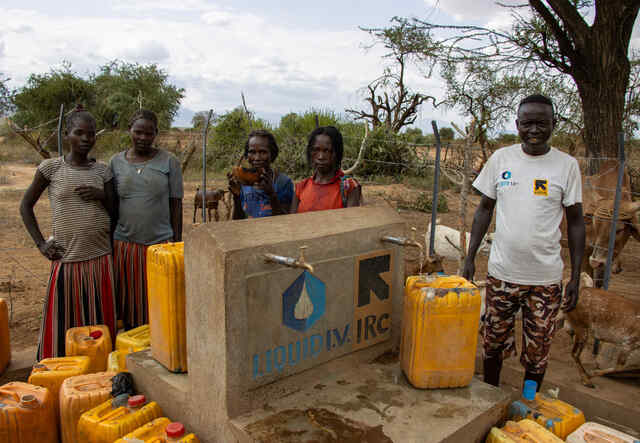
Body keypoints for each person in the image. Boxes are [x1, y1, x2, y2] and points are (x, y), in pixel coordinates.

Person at [462, 94, 585, 391]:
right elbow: (484, 210)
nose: (534, 130)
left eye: (542, 123)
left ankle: (529, 401)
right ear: (517, 124)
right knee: (492, 342)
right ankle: (491, 394)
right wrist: (469, 258)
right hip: (502, 274)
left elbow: (577, 222)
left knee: (538, 351)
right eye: (527, 123)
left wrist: (576, 276)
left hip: (545, 280)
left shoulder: (566, 166)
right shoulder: (501, 159)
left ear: (553, 124)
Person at [20, 106, 117, 359]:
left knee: (99, 325)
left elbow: (116, 210)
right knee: (64, 320)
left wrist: (100, 195)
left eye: (91, 134)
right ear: (67, 135)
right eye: (79, 133)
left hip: (99, 258)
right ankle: (61, 367)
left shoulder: (103, 171)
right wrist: (41, 244)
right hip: (67, 259)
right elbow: (25, 206)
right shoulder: (51, 169)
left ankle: (100, 370)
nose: (86, 139)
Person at [110, 109, 183, 330]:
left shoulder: (169, 162)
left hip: (160, 243)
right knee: (130, 300)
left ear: (156, 134)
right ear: (129, 131)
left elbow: (175, 205)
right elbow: (113, 206)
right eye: (138, 132)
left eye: (148, 133)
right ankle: (132, 342)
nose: (143, 138)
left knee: (160, 299)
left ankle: (160, 343)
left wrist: (176, 242)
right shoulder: (116, 162)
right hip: (126, 244)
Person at [291, 126, 361, 213]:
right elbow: (292, 222)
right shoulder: (301, 187)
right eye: (316, 150)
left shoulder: (348, 187)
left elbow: (352, 223)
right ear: (310, 152)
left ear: (337, 153)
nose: (320, 157)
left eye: (327, 151)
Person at [228, 130, 293, 219]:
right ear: (247, 155)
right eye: (252, 152)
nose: (257, 158)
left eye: (263, 152)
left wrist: (271, 194)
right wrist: (237, 197)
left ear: (272, 154)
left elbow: (287, 222)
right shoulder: (243, 181)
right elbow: (238, 222)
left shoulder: (283, 183)